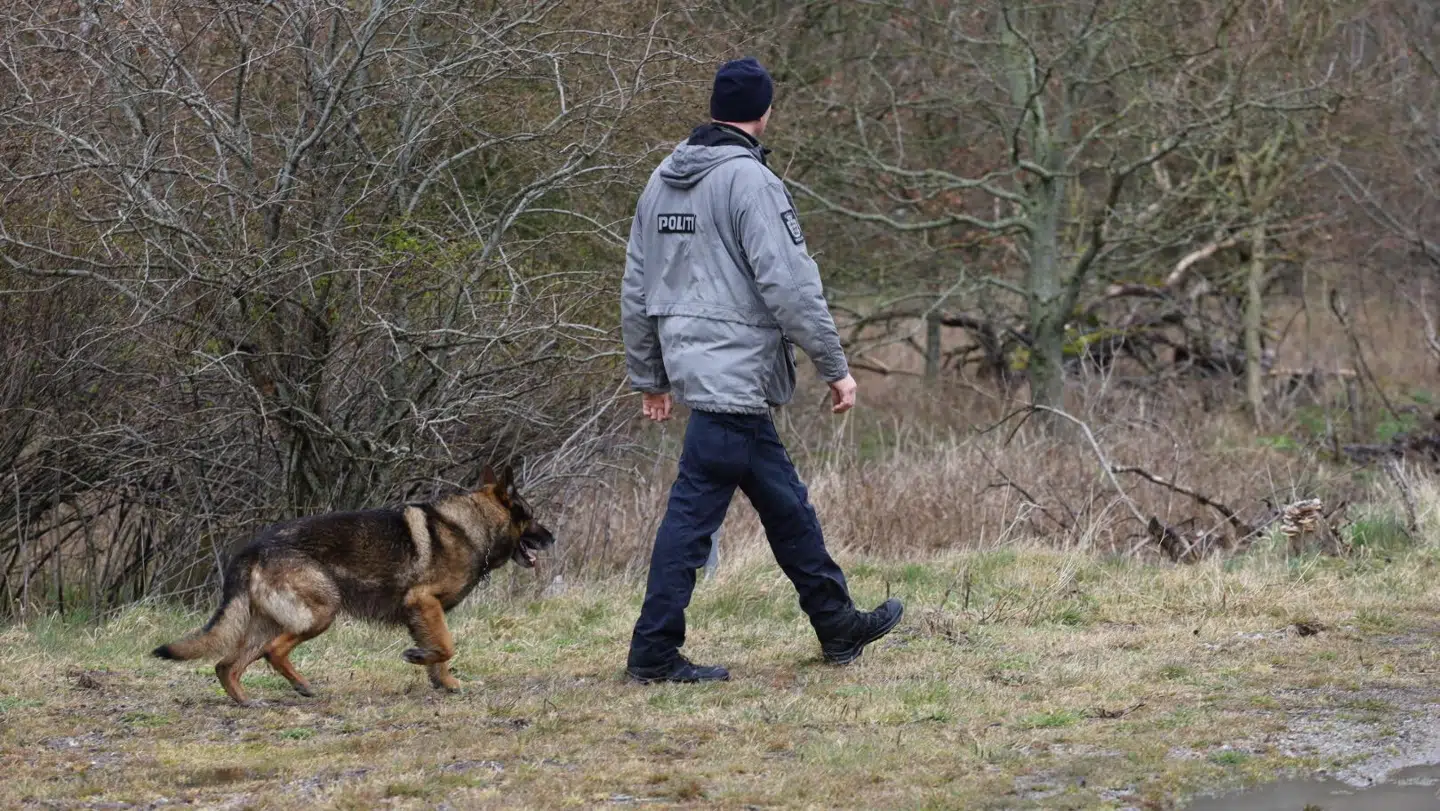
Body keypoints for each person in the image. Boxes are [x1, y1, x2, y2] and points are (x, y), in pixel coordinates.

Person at [620, 56, 904, 684]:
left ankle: (838, 627)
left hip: (700, 373)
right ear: (764, 111)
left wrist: (651, 376)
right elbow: (792, 285)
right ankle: (652, 656)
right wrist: (835, 365)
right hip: (736, 375)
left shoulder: (661, 181)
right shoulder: (750, 182)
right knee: (689, 525)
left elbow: (636, 285)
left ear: (715, 107)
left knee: (787, 509)